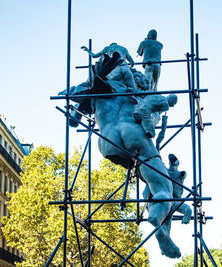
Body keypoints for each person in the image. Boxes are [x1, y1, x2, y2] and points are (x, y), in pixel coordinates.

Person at [63, 53, 181, 259]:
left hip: (107, 140)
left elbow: (72, 119)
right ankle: (156, 219)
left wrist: (86, 95)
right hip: (132, 133)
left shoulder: (96, 88)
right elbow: (152, 114)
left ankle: (153, 210)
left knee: (135, 166)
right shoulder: (135, 93)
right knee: (163, 187)